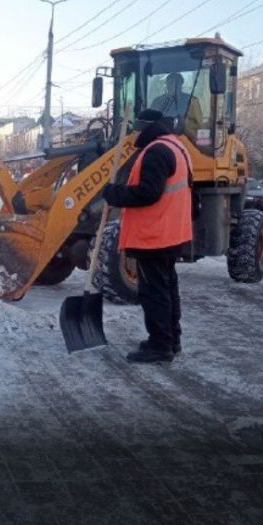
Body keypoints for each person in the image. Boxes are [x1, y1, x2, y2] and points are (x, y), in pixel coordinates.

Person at [102, 109, 193, 364]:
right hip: (170, 233)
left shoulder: (156, 151)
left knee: (154, 292)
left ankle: (159, 345)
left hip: (154, 235)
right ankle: (171, 339)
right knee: (166, 288)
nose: (133, 136)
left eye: (135, 131)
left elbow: (148, 193)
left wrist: (115, 195)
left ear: (144, 129)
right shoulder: (176, 146)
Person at [149, 72, 204, 139]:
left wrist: (185, 123)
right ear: (166, 84)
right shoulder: (157, 102)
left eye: (176, 83)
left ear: (181, 84)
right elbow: (151, 122)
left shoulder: (192, 101)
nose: (172, 86)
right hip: (161, 138)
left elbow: (198, 123)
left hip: (186, 139)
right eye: (170, 83)